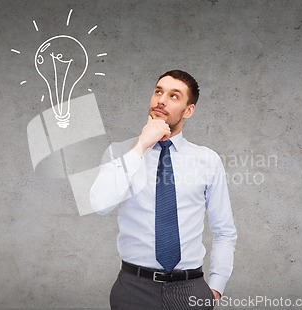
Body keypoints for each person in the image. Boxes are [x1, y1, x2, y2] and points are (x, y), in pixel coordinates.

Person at [90, 70, 237, 309]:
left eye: (174, 96)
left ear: (188, 110)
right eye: (158, 91)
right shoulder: (120, 153)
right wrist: (141, 146)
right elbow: (100, 205)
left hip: (190, 289)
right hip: (133, 289)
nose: (161, 100)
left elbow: (224, 231)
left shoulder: (207, 160)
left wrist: (216, 287)